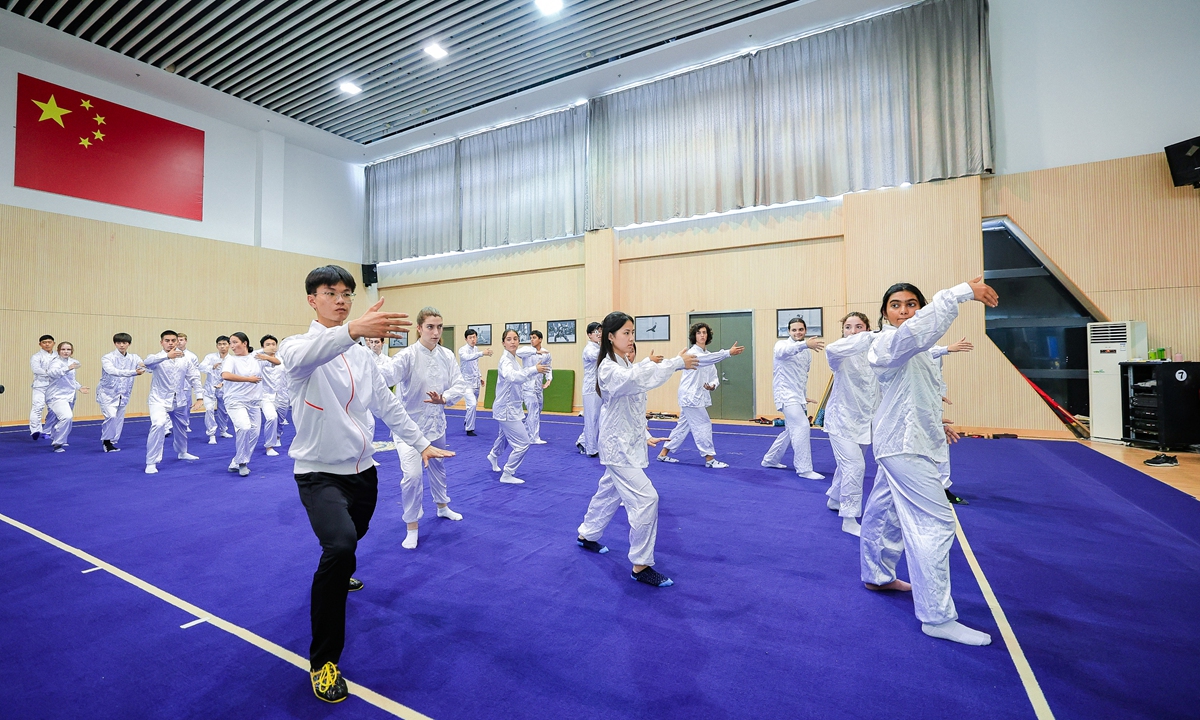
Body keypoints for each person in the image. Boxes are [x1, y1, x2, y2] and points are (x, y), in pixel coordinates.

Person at [277, 265, 453, 704]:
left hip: (364, 471)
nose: (340, 299)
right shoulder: (297, 347)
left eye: (346, 293)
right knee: (338, 548)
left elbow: (387, 404)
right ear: (311, 300)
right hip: (319, 473)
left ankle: (343, 570)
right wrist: (353, 329)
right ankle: (323, 661)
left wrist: (421, 442)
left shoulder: (363, 356)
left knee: (354, 538)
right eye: (330, 293)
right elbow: (302, 359)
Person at [860, 276, 998, 646]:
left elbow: (913, 394)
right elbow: (916, 334)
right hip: (902, 447)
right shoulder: (885, 341)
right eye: (896, 305)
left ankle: (877, 573)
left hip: (904, 441)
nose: (904, 310)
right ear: (885, 313)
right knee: (935, 523)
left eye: (911, 304)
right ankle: (937, 616)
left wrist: (937, 424)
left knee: (882, 511)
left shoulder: (917, 349)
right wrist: (959, 294)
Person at [576, 312, 699, 587]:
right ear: (610, 336)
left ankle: (587, 534)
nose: (631, 338)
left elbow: (631, 407)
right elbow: (635, 381)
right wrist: (676, 363)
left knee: (608, 493)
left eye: (633, 333)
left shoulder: (625, 365)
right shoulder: (608, 367)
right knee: (647, 499)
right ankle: (641, 565)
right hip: (617, 448)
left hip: (626, 444)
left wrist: (644, 434)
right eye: (625, 333)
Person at [390, 307, 473, 550]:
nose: (436, 332)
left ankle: (442, 506)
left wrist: (445, 397)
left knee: (439, 468)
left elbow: (460, 382)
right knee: (413, 476)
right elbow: (386, 376)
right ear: (419, 328)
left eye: (439, 327)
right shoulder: (406, 356)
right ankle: (412, 525)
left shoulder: (446, 355)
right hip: (408, 429)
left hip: (436, 424)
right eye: (430, 327)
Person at [657, 323, 744, 468]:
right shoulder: (692, 354)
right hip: (690, 397)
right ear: (694, 336)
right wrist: (728, 352)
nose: (702, 335)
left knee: (682, 427)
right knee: (703, 424)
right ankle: (709, 459)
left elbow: (713, 376)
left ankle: (663, 453)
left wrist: (712, 385)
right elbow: (707, 360)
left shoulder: (708, 355)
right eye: (699, 333)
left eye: (704, 332)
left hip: (697, 397)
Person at [822, 313, 878, 536]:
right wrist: (873, 336)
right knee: (855, 466)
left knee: (848, 465)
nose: (853, 331)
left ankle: (835, 498)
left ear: (867, 327)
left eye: (859, 326)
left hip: (865, 421)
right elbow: (832, 350)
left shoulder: (875, 354)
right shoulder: (838, 352)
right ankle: (849, 518)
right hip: (840, 421)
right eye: (848, 327)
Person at [761, 317, 826, 479]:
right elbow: (783, 353)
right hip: (785, 395)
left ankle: (770, 459)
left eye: (800, 330)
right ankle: (804, 469)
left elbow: (802, 376)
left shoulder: (807, 353)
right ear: (789, 331)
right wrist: (805, 344)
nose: (798, 332)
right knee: (802, 425)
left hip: (797, 396)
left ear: (805, 330)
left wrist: (804, 397)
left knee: (791, 430)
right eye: (794, 330)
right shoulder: (781, 345)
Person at [486, 328, 548, 484]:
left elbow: (527, 353)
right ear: (503, 343)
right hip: (506, 409)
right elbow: (513, 377)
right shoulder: (505, 361)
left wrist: (535, 355)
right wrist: (534, 369)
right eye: (509, 339)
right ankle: (508, 473)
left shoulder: (514, 358)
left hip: (512, 407)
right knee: (523, 444)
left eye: (515, 339)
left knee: (504, 437)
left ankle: (493, 455)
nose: (512, 342)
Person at [143, 330, 202, 474]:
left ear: (177, 342)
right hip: (159, 400)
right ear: (161, 342)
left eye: (173, 341)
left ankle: (182, 452)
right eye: (167, 341)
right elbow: (146, 363)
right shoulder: (156, 358)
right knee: (158, 424)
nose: (170, 343)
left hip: (179, 399)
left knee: (182, 427)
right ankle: (151, 461)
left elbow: (194, 377)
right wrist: (165, 356)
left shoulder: (185, 359)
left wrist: (200, 396)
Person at [929, 338, 974, 505]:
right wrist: (946, 348)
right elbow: (922, 355)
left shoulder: (931, 344)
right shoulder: (910, 344)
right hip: (911, 404)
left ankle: (943, 489)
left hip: (933, 400)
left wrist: (936, 394)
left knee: (941, 443)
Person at [221, 332, 263, 477]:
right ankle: (242, 463)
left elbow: (277, 361)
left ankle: (236, 462)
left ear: (244, 343)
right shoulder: (230, 360)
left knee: (255, 433)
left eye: (234, 342)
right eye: (230, 343)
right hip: (235, 400)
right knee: (244, 428)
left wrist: (268, 356)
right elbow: (225, 375)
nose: (231, 346)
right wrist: (248, 379)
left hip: (254, 402)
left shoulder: (255, 357)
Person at [96, 333, 145, 452]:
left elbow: (143, 366)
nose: (121, 345)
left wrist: (145, 367)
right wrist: (133, 372)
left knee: (118, 419)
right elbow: (112, 371)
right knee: (111, 416)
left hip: (123, 393)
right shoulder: (107, 357)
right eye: (119, 343)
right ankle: (107, 441)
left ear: (129, 344)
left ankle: (112, 441)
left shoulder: (134, 357)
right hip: (107, 393)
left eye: (124, 343)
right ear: (115, 344)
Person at [44, 342, 89, 452]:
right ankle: (57, 443)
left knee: (60, 418)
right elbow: (52, 373)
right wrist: (67, 368)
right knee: (67, 417)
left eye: (68, 349)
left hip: (70, 395)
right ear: (58, 351)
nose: (66, 351)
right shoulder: (55, 362)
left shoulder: (71, 362)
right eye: (63, 349)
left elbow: (70, 380)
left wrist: (79, 387)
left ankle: (58, 438)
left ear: (71, 351)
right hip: (56, 396)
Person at [517, 330, 553, 444]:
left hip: (538, 385)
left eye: (534, 338)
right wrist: (535, 351)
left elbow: (548, 366)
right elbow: (518, 352)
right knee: (533, 410)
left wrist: (549, 379)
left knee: (538, 409)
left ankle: (525, 431)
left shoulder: (546, 353)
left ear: (540, 339)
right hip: (527, 386)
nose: (532, 340)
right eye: (531, 337)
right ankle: (534, 438)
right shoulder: (526, 351)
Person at [257, 335, 288, 457]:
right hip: (265, 395)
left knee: (281, 420)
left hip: (282, 394)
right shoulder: (258, 358)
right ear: (262, 347)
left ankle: (278, 435)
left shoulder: (283, 358)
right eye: (267, 344)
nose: (271, 347)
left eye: (273, 344)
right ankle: (269, 446)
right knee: (271, 417)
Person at [458, 328, 492, 436]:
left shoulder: (476, 349)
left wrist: (480, 376)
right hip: (466, 383)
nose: (473, 339)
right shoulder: (462, 350)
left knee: (473, 405)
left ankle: (467, 421)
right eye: (470, 337)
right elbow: (468, 358)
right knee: (471, 404)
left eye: (474, 337)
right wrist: (482, 353)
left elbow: (475, 365)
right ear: (466, 339)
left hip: (475, 381)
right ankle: (469, 429)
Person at [575, 322, 603, 456]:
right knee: (592, 418)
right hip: (591, 388)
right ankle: (591, 449)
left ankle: (583, 441)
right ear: (589, 335)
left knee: (597, 418)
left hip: (599, 387)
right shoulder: (590, 349)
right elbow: (600, 357)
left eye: (600, 331)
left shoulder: (599, 347)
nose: (598, 334)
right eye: (596, 332)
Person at [200, 337, 232, 445]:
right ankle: (211, 434)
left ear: (229, 345)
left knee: (223, 411)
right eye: (219, 344)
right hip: (210, 389)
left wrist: (223, 383)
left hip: (224, 389)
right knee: (209, 409)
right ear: (216, 346)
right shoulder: (210, 357)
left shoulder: (232, 360)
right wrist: (211, 367)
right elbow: (201, 367)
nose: (222, 346)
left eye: (224, 344)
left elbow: (233, 376)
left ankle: (223, 430)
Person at [29, 334, 57, 439]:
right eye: (44, 342)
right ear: (40, 344)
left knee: (54, 409)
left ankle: (47, 430)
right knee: (37, 407)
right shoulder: (36, 356)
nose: (47, 344)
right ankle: (35, 430)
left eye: (49, 342)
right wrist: (51, 373)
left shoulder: (58, 356)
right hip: (40, 385)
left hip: (54, 386)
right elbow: (36, 369)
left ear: (53, 343)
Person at [177, 333, 200, 434]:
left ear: (185, 341)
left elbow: (195, 372)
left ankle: (185, 424)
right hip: (173, 386)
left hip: (187, 385)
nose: (179, 342)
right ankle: (168, 427)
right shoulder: (170, 355)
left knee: (186, 406)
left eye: (181, 340)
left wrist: (194, 385)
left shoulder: (192, 356)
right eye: (177, 340)